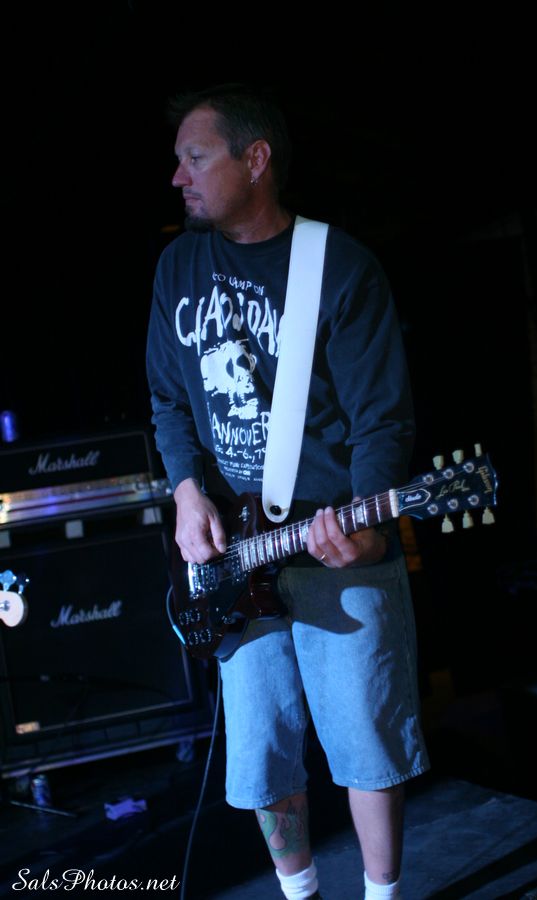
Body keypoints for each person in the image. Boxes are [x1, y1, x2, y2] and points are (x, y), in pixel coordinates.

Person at [146, 83, 429, 900]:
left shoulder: (340, 266)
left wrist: (368, 527)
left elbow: (382, 419)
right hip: (234, 556)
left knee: (367, 740)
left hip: (333, 534)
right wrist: (186, 493)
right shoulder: (177, 267)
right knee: (261, 753)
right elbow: (168, 400)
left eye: (195, 158)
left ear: (255, 159)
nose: (177, 177)